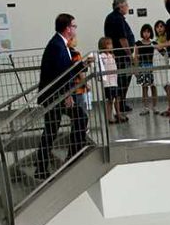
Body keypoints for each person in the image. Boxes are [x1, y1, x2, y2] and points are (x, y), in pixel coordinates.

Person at [35, 13, 87, 180]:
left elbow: (65, 70)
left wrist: (82, 65)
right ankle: (72, 156)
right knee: (79, 118)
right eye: (74, 26)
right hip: (54, 96)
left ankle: (43, 166)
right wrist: (67, 94)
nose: (75, 29)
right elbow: (61, 74)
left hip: (54, 95)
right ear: (67, 29)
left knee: (51, 130)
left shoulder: (59, 43)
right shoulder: (57, 45)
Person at [104, 0, 136, 113]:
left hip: (117, 55)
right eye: (126, 5)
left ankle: (121, 104)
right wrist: (129, 55)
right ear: (120, 6)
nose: (128, 7)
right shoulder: (117, 19)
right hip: (121, 56)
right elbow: (123, 39)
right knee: (122, 81)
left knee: (122, 81)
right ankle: (120, 106)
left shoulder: (113, 17)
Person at [97, 37, 125, 124]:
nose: (111, 46)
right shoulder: (102, 56)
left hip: (114, 81)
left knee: (117, 98)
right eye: (109, 44)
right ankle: (109, 117)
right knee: (109, 100)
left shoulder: (111, 55)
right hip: (107, 83)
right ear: (103, 46)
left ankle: (118, 114)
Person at [134, 24, 158, 116]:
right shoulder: (138, 44)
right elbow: (135, 56)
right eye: (144, 31)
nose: (146, 34)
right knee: (144, 87)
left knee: (153, 86)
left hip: (153, 67)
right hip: (143, 67)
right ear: (142, 32)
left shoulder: (154, 43)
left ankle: (155, 107)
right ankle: (145, 107)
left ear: (151, 33)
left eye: (148, 32)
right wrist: (136, 69)